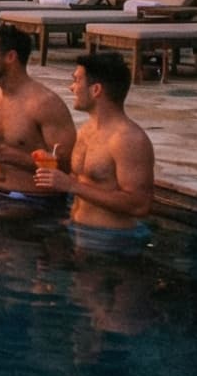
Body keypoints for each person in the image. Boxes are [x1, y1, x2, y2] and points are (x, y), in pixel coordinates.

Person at [29, 51, 155, 251]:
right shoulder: (86, 130)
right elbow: (84, 180)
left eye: (77, 80)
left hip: (112, 240)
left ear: (96, 89)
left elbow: (139, 205)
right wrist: (56, 169)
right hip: (77, 229)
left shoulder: (128, 140)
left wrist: (71, 185)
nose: (71, 87)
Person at [0, 24, 76, 212]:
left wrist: (3, 154)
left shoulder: (45, 104)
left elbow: (66, 168)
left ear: (10, 57)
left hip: (35, 201)